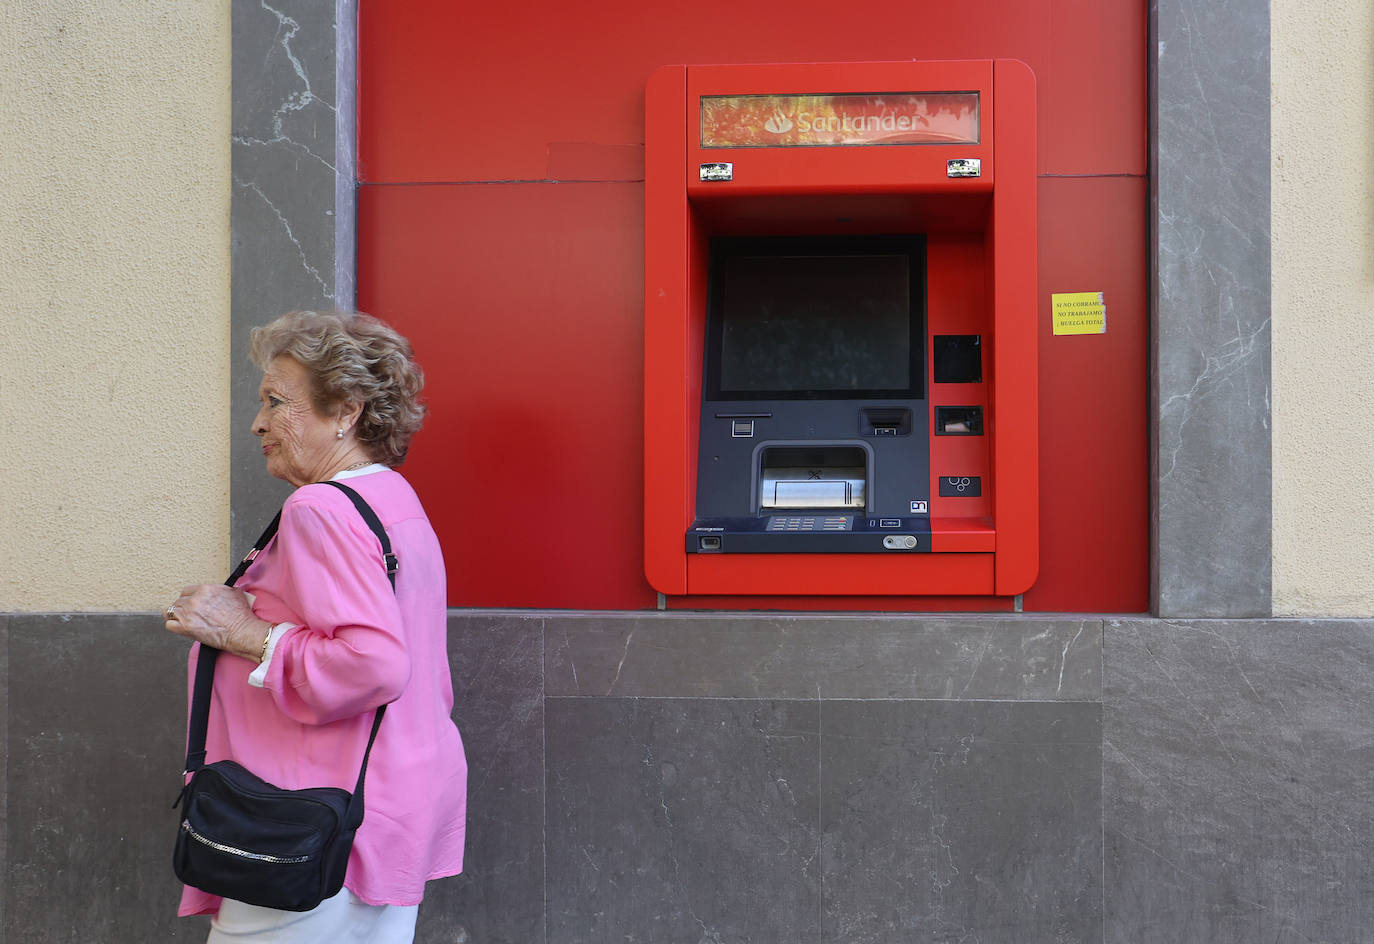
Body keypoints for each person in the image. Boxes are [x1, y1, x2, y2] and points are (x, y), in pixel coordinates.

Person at [164, 310, 467, 943]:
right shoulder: (390, 497)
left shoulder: (319, 509)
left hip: (305, 821)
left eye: (276, 401)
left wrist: (239, 629)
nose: (259, 423)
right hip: (380, 805)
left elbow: (372, 664)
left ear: (346, 411)